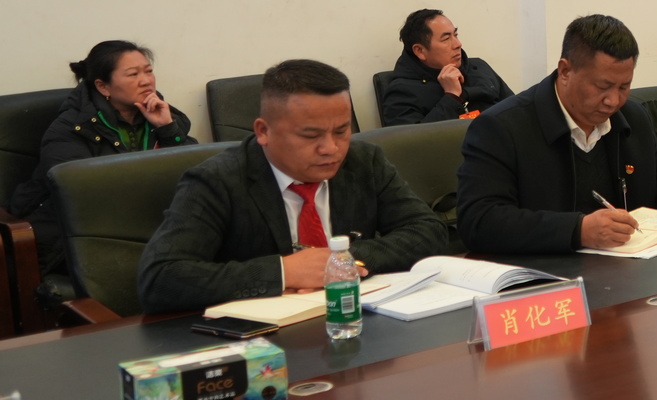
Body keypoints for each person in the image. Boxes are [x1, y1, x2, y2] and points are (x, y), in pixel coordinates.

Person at [137, 61, 446, 312]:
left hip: (355, 320)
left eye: (341, 131)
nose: (331, 148)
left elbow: (428, 231)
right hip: (262, 340)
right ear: (263, 131)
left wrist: (342, 261)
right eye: (311, 136)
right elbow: (160, 279)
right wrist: (284, 272)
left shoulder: (364, 161)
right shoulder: (217, 180)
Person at [456, 15, 657, 255]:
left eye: (624, 87)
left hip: (630, 271)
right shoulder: (501, 128)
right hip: (547, 275)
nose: (613, 101)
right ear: (565, 71)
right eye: (602, 86)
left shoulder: (631, 116)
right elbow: (479, 221)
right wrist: (578, 230)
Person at [11, 41, 197, 278]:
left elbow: (196, 173)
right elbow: (77, 192)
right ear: (103, 86)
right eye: (133, 74)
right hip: (80, 236)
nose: (146, 81)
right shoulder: (71, 128)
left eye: (149, 71)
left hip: (146, 225)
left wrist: (167, 129)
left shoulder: (161, 115)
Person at [380, 9, 512, 125]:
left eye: (455, 35)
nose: (458, 44)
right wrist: (451, 96)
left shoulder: (478, 67)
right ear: (420, 51)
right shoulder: (402, 92)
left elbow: (515, 109)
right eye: (446, 39)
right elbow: (416, 141)